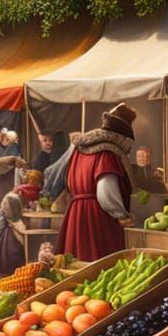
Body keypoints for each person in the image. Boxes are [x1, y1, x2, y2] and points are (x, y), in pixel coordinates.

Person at [56, 104, 136, 262]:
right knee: (100, 263)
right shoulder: (106, 152)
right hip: (97, 215)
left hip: (76, 212)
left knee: (76, 264)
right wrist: (121, 215)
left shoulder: (79, 150)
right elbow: (106, 190)